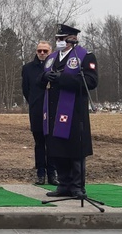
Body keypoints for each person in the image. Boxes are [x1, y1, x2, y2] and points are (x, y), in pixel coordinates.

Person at [41, 24, 98, 198]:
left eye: (61, 38)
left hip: (73, 112)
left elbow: (91, 81)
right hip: (53, 110)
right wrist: (45, 77)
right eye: (57, 38)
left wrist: (63, 78)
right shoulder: (51, 58)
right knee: (58, 149)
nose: (58, 41)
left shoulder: (84, 56)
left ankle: (77, 186)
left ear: (72, 39)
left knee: (74, 150)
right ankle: (64, 184)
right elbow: (39, 79)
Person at [22, 41, 59, 185]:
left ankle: (52, 173)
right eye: (39, 51)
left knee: (52, 142)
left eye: (45, 51)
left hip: (53, 110)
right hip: (37, 110)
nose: (42, 53)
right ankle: (40, 173)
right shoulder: (28, 68)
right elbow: (26, 89)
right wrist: (34, 101)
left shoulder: (56, 67)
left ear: (50, 52)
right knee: (39, 143)